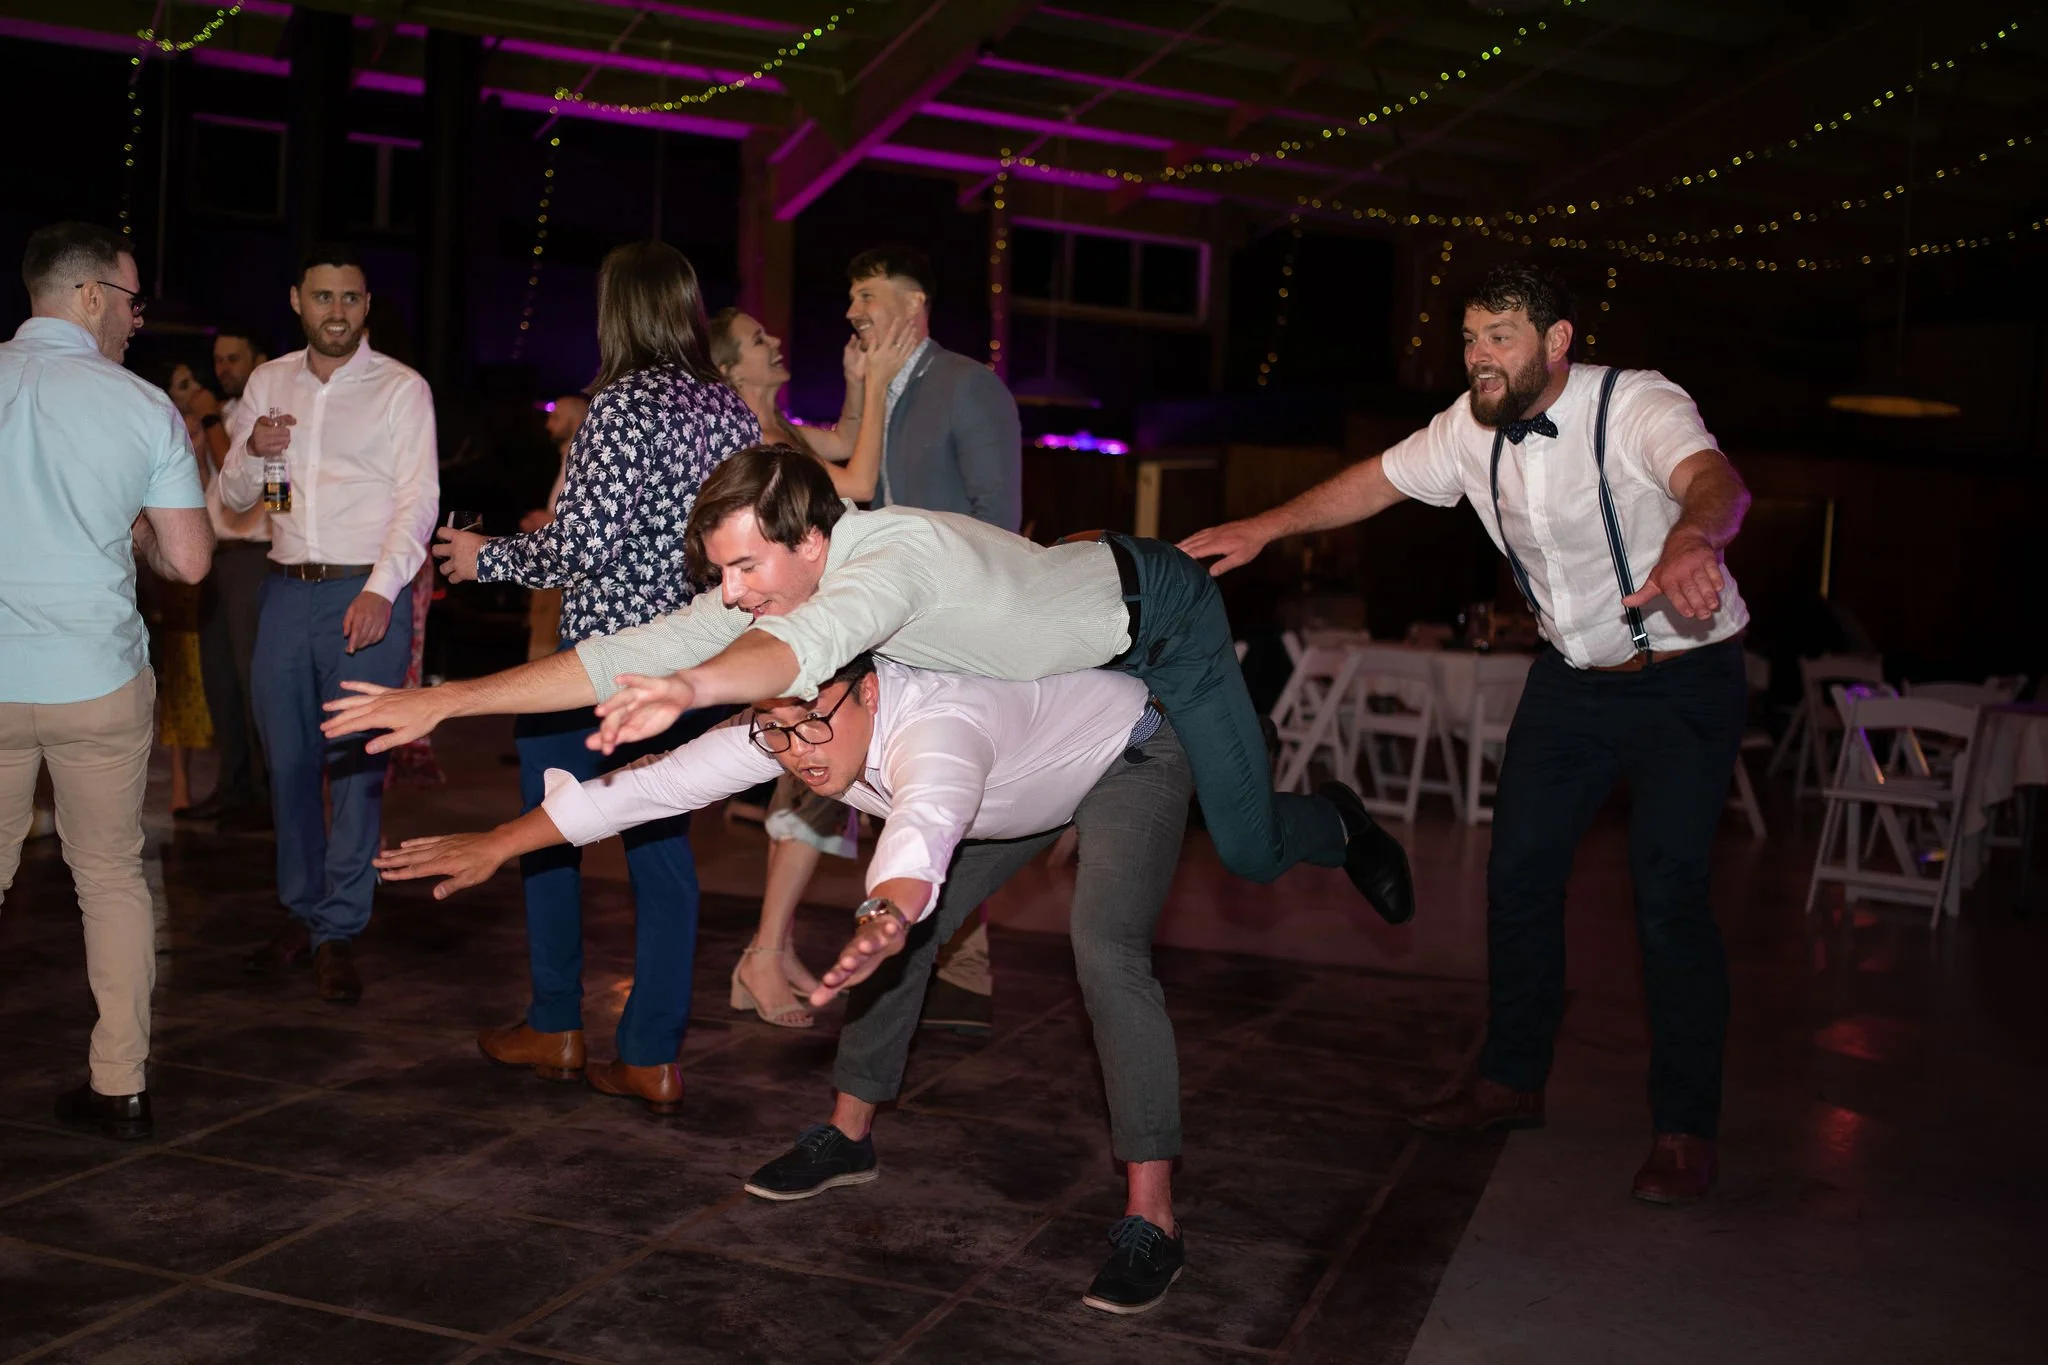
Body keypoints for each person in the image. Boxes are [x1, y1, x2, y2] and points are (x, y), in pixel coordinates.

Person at [374, 650, 1201, 1315]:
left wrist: (888, 908)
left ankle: (1151, 1218)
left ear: (868, 692)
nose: (800, 753)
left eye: (814, 726)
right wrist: (499, 842)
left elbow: (925, 823)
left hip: (1120, 754)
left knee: (1105, 949)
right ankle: (848, 1134)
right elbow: (650, 787)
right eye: (778, 734)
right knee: (903, 946)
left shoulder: (938, 730)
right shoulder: (782, 723)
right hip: (1012, 790)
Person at [1180, 264, 1752, 1204]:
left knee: (1668, 897)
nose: (1479, 355)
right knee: (1518, 872)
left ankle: (1686, 1126)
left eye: (1500, 336)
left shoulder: (1636, 403)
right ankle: (1511, 1076)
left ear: (1557, 340)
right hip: (1570, 683)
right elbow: (1373, 481)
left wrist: (1694, 538)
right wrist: (1266, 526)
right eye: (1471, 336)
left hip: (1685, 679)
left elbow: (1712, 480)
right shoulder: (1465, 430)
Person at [321, 446, 1415, 926]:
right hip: (1070, 647)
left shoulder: (875, 566)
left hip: (1158, 616)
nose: (736, 591)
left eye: (748, 568)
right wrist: (442, 698)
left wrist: (692, 684)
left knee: (1247, 849)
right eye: (723, 574)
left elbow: (794, 653)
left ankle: (1342, 825)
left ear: (808, 537)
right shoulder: (778, 583)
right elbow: (615, 652)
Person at [429, 240, 759, 1113]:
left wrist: (483, 554)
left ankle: (555, 1023)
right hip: (690, 663)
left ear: (619, 313)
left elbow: (582, 547)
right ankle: (650, 1053)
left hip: (602, 668)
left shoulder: (620, 406)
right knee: (661, 849)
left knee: (551, 830)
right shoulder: (727, 409)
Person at [0, 221, 214, 1140]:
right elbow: (192, 563)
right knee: (112, 878)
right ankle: (119, 1083)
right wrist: (132, 535)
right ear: (88, 295)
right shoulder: (141, 407)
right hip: (96, 677)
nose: (135, 322)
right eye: (130, 302)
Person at [218, 244, 439, 1005]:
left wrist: (383, 589)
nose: (336, 311)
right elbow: (233, 495)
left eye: (350, 298)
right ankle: (302, 911)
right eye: (323, 297)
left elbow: (419, 504)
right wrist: (254, 448)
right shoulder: (268, 380)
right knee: (284, 761)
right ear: (296, 300)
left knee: (354, 766)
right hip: (284, 591)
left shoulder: (401, 389)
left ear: (367, 305)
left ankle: (339, 927)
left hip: (361, 591)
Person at [706, 304, 908, 1027]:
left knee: (811, 780)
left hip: (811, 617)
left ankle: (770, 949)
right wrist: (882, 379)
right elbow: (856, 477)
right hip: (789, 620)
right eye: (760, 340)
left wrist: (856, 384)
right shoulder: (751, 435)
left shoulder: (781, 428)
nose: (777, 340)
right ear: (730, 369)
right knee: (814, 773)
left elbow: (848, 439)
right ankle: (763, 952)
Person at [184, 325, 274, 828]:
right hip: (216, 555)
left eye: (233, 358)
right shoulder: (218, 414)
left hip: (253, 556)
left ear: (257, 358)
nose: (224, 369)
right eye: (218, 360)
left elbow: (234, 468)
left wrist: (212, 418)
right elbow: (207, 481)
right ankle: (233, 786)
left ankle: (263, 793)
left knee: (249, 678)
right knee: (219, 678)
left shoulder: (264, 415)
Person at [148, 361, 221, 812]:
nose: (186, 396)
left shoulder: (218, 441)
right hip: (179, 577)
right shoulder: (164, 443)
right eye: (178, 388)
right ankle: (179, 782)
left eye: (192, 386)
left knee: (217, 677)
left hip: (221, 571)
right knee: (179, 676)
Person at [519, 392, 591, 662]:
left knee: (550, 657)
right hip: (551, 568)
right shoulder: (566, 460)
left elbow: (585, 527)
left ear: (574, 420)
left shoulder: (585, 463)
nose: (548, 424)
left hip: (565, 575)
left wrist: (547, 523)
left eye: (556, 417)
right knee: (541, 649)